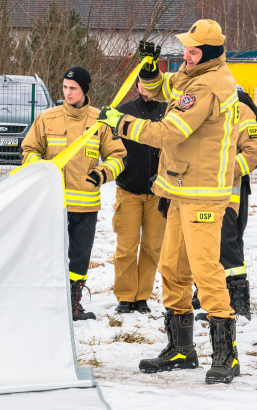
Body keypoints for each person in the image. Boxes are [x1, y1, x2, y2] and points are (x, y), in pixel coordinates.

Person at [98, 20, 242, 384]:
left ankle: (226, 355)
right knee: (173, 268)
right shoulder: (193, 75)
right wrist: (150, 73)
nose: (186, 55)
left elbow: (168, 132)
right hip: (181, 189)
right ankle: (181, 348)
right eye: (186, 49)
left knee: (206, 270)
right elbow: (165, 89)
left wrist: (121, 123)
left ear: (209, 53)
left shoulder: (210, 85)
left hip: (203, 194)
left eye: (193, 51)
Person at [22, 66, 125, 321]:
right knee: (49, 255)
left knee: (80, 257)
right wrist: (41, 168)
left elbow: (118, 157)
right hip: (53, 204)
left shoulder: (100, 121)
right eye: (65, 87)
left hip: (85, 205)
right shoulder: (47, 118)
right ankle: (47, 301)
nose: (67, 93)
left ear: (84, 90)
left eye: (73, 88)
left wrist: (102, 174)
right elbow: (29, 151)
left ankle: (72, 303)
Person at [195, 89, 257, 320]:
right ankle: (208, 296)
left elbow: (255, 148)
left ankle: (238, 299)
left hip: (226, 195)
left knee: (227, 246)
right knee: (202, 248)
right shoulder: (195, 103)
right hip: (195, 193)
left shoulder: (240, 106)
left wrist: (223, 170)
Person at [110, 89, 167, 315]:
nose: (147, 88)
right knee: (126, 248)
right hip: (128, 190)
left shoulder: (168, 111)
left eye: (152, 82)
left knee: (152, 248)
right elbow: (111, 146)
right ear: (137, 85)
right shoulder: (124, 111)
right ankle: (125, 296)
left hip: (158, 193)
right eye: (143, 83)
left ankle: (142, 296)